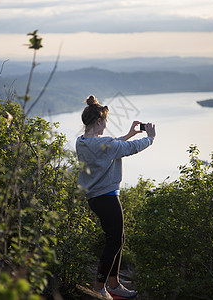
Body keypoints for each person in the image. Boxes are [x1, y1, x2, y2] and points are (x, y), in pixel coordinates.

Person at [75, 95, 156, 299]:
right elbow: (126, 149)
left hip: (96, 198)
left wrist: (128, 134)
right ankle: (101, 286)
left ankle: (113, 283)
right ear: (98, 121)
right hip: (107, 197)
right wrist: (150, 138)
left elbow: (110, 147)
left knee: (117, 239)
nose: (106, 126)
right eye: (105, 122)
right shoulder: (105, 144)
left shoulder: (82, 142)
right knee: (114, 241)